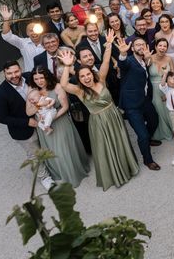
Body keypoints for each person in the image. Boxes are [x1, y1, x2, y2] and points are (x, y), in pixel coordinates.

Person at [59, 35, 139, 190]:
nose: (86, 77)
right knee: (106, 148)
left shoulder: (101, 79)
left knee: (120, 142)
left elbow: (106, 61)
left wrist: (108, 45)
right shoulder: (79, 91)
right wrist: (67, 66)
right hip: (99, 122)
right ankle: (115, 174)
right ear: (79, 79)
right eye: (82, 76)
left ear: (92, 73)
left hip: (113, 116)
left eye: (88, 74)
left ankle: (127, 167)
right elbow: (63, 84)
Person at [0, 61, 53, 190]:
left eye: (16, 71)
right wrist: (26, 122)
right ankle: (44, 177)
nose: (13, 75)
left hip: (43, 120)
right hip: (23, 130)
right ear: (4, 73)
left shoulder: (30, 77)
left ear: (20, 69)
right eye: (9, 73)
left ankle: (54, 167)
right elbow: (1, 118)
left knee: (48, 146)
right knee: (35, 154)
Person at [26, 66, 90, 187]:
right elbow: (28, 112)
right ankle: (59, 172)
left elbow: (65, 107)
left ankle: (72, 173)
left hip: (60, 122)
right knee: (53, 150)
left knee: (64, 149)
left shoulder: (57, 87)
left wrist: (50, 119)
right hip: (44, 126)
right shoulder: (33, 91)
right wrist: (39, 105)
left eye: (42, 77)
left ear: (47, 76)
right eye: (36, 78)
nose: (39, 81)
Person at [115, 37, 161, 171]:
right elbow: (122, 64)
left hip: (145, 100)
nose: (140, 46)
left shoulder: (144, 60)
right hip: (131, 104)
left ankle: (148, 140)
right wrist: (123, 54)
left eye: (143, 44)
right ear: (132, 48)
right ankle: (148, 160)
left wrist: (147, 60)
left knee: (154, 121)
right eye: (137, 45)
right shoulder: (128, 61)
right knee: (142, 135)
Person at [0, 5, 44, 71]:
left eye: (36, 29)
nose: (34, 32)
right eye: (31, 30)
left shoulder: (48, 41)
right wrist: (6, 19)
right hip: (31, 77)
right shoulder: (23, 43)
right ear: (27, 33)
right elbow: (7, 36)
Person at [149, 38, 174, 141]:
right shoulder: (149, 58)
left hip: (166, 88)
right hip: (153, 89)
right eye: (160, 45)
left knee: (167, 110)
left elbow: (173, 75)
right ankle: (161, 132)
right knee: (157, 111)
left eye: (165, 46)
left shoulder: (169, 59)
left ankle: (172, 130)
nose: (162, 48)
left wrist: (167, 91)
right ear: (155, 46)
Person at [159, 71, 174, 149]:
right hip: (173, 112)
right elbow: (162, 84)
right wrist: (165, 74)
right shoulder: (166, 89)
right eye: (169, 79)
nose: (172, 80)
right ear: (166, 81)